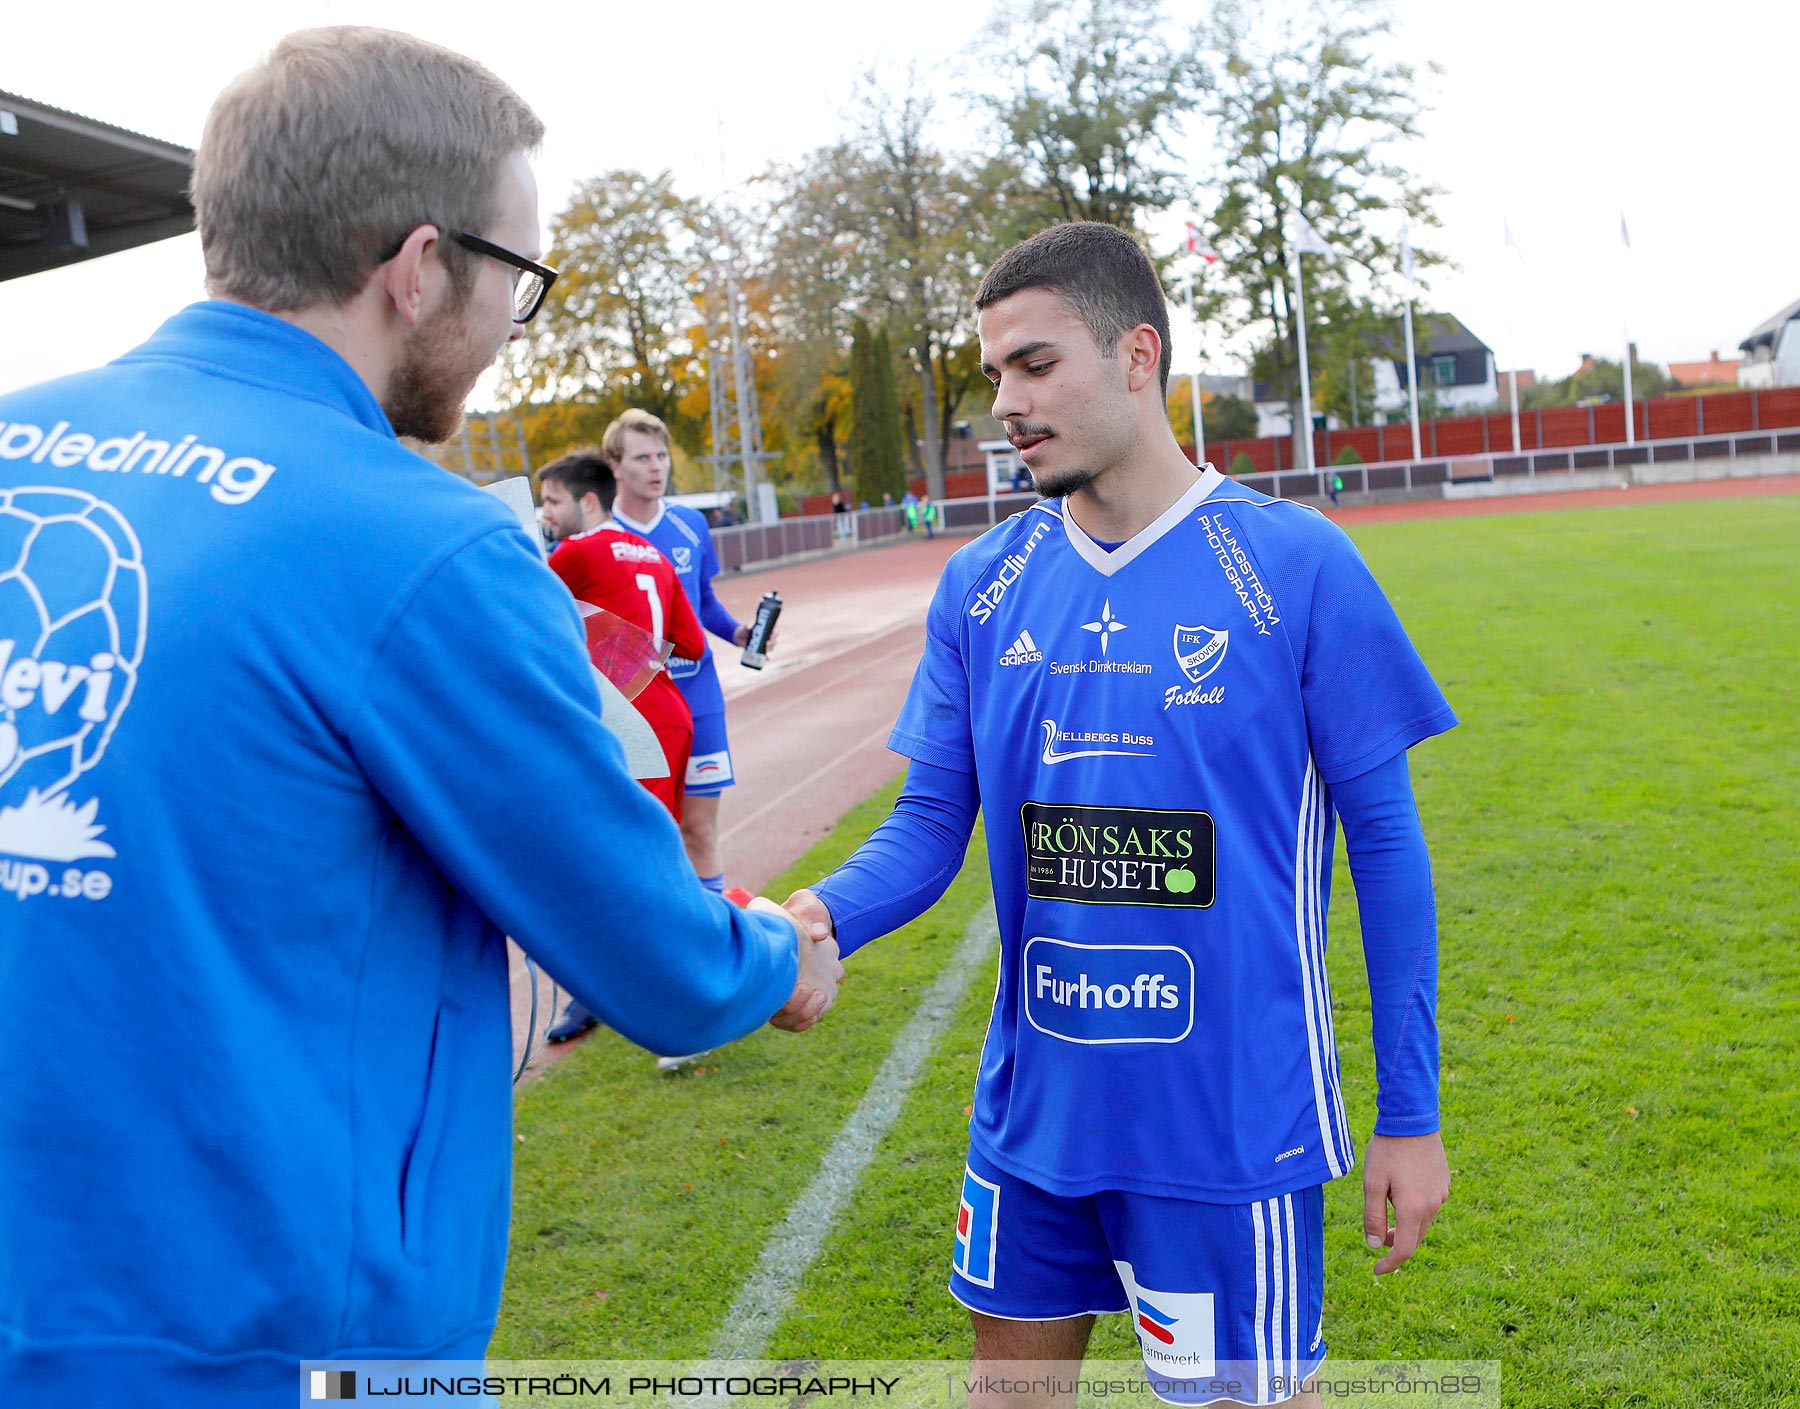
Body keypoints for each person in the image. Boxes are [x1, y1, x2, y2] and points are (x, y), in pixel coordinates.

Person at [0, 28, 841, 1404]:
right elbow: (651, 951)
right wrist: (773, 954)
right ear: (418, 266)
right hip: (267, 1344)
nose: (516, 319)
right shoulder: (418, 543)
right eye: (517, 274)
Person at [783, 222, 1454, 1408]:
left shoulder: (1296, 565)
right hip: (1033, 1114)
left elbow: (1389, 854)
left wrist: (1410, 1114)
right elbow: (933, 819)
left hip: (1226, 1126)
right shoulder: (983, 584)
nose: (1005, 401)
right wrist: (822, 914)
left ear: (1138, 354)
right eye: (993, 372)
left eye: (1035, 365)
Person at [539, 447, 719, 1062]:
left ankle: (687, 1005)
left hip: (628, 723)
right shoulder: (653, 555)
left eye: (553, 501)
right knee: (650, 854)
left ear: (587, 502)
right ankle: (650, 987)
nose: (546, 513)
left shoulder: (578, 552)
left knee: (638, 863)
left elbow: (522, 608)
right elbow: (690, 642)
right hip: (665, 712)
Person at [602, 409, 760, 894]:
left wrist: (738, 632)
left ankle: (711, 950)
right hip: (635, 711)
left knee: (698, 829)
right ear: (614, 466)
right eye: (641, 457)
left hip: (699, 696)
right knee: (651, 834)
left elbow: (703, 602)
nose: (656, 467)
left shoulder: (691, 525)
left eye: (661, 455)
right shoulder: (597, 539)